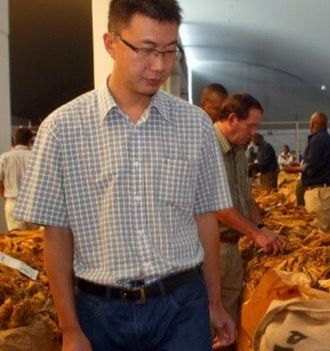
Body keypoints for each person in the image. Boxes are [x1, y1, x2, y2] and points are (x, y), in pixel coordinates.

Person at [14, 1, 236, 349]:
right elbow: (56, 236)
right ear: (110, 43)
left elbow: (205, 219)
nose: (159, 65)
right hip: (100, 312)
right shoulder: (62, 129)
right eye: (146, 50)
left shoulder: (195, 126)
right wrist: (70, 328)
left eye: (168, 51)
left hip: (182, 305)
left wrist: (214, 303)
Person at [212, 94, 285, 343]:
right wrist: (255, 234)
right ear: (232, 119)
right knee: (208, 322)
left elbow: (246, 197)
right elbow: (217, 206)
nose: (254, 133)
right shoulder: (207, 146)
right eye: (250, 125)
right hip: (209, 246)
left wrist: (262, 228)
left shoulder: (238, 152)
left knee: (228, 320)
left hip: (231, 245)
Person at [284, 112, 330, 232]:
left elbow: (311, 166)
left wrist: (293, 169)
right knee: (319, 226)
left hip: (321, 191)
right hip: (322, 189)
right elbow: (316, 163)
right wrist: (299, 166)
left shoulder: (318, 139)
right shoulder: (322, 139)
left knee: (319, 230)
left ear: (313, 123)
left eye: (310, 121)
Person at [0, 128, 37, 231]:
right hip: (33, 203)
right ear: (30, 141)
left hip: (13, 202)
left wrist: (4, 195)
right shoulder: (35, 157)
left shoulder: (4, 158)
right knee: (35, 240)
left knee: (16, 241)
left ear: (14, 140)